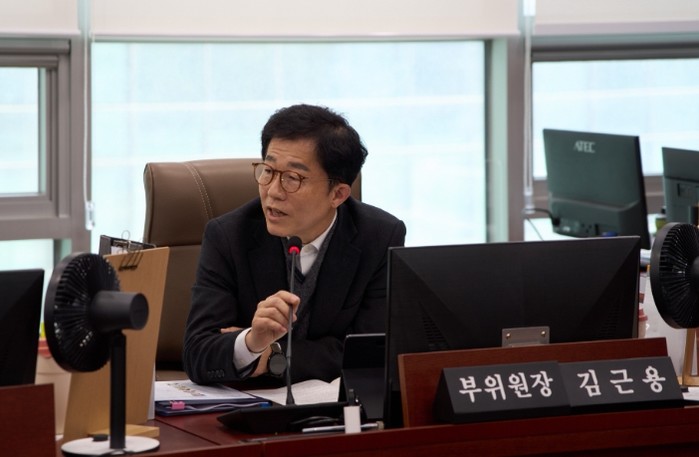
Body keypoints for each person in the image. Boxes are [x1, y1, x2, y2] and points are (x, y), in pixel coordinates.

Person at [183, 104, 406, 385]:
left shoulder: (380, 236)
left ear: (338, 194)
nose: (273, 191)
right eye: (268, 170)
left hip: (336, 406)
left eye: (293, 178)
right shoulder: (228, 236)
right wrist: (252, 342)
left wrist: (272, 356)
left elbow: (373, 352)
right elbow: (198, 352)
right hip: (249, 405)